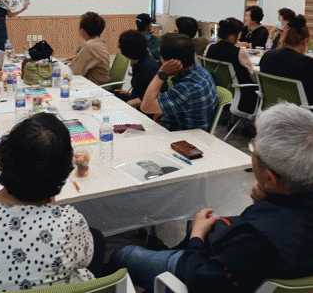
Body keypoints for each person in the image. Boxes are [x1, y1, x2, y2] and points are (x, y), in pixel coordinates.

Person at [110, 102, 313, 293]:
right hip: (234, 252)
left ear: (270, 178)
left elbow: (200, 279)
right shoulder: (290, 197)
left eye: (253, 147)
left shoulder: (259, 242)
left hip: (203, 266)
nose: (252, 148)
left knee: (123, 255)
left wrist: (197, 236)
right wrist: (267, 200)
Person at [0, 114, 104, 292]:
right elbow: (84, 260)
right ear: (64, 169)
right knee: (96, 239)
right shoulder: (67, 223)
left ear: (4, 154)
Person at [140, 33, 217, 132]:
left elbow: (145, 107)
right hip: (187, 129)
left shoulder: (186, 89)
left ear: (171, 62)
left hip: (181, 136)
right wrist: (166, 111)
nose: (160, 58)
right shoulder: (200, 71)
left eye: (161, 55)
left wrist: (161, 73)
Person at [205, 17, 258, 115]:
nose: (240, 36)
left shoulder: (209, 48)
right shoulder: (240, 52)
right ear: (232, 36)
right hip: (240, 95)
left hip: (215, 91)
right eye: (239, 33)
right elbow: (251, 73)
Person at [260, 15, 313, 104]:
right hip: (298, 111)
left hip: (271, 109)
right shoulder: (307, 64)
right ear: (306, 41)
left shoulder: (267, 56)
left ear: (284, 37)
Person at [116, 30, 163, 108]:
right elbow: (143, 90)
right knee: (112, 94)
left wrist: (132, 101)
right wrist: (130, 94)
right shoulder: (140, 61)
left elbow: (156, 95)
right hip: (138, 101)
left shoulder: (147, 67)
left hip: (145, 108)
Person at [69, 12, 110, 86]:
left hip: (97, 88)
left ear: (82, 31)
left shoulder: (89, 46)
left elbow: (75, 71)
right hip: (98, 84)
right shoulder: (99, 42)